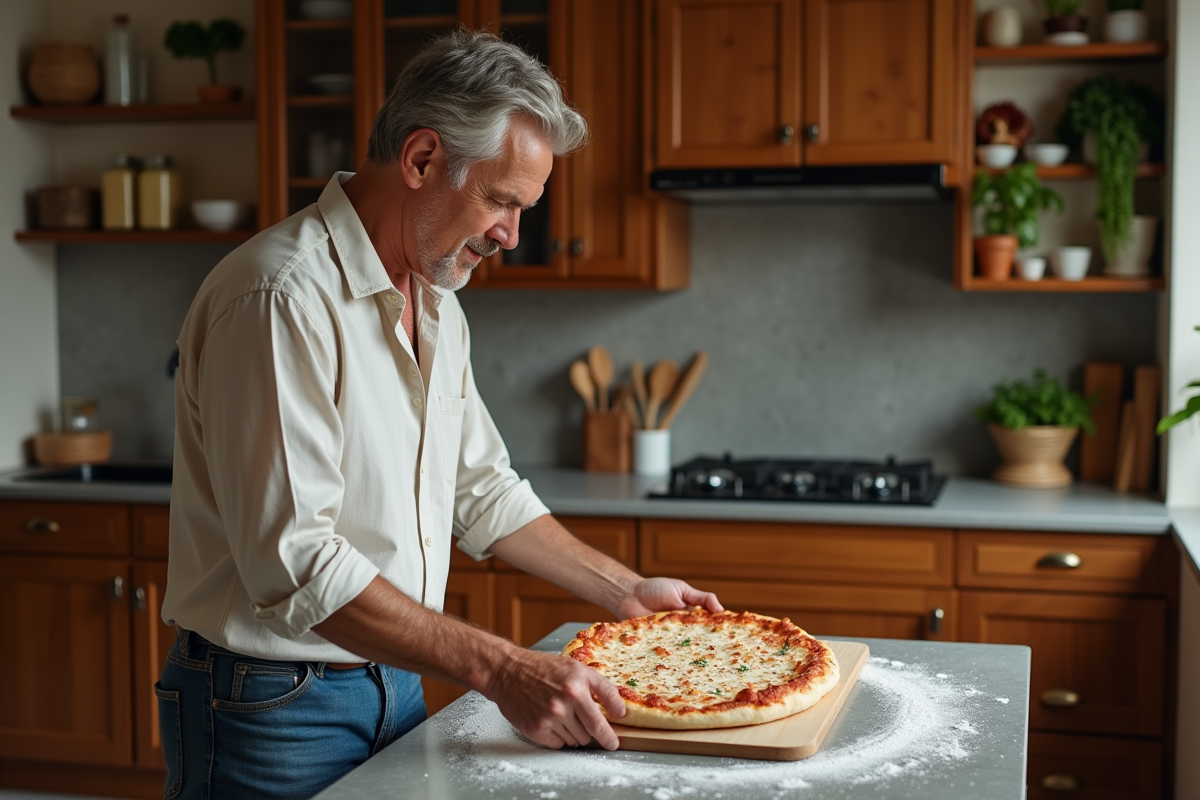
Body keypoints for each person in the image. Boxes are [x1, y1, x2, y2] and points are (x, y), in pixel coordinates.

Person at [158, 28, 723, 800]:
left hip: (401, 681)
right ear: (422, 160)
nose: (511, 236)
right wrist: (503, 668)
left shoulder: (436, 300)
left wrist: (623, 590)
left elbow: (482, 490)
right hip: (271, 704)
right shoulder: (281, 298)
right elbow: (296, 566)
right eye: (502, 200)